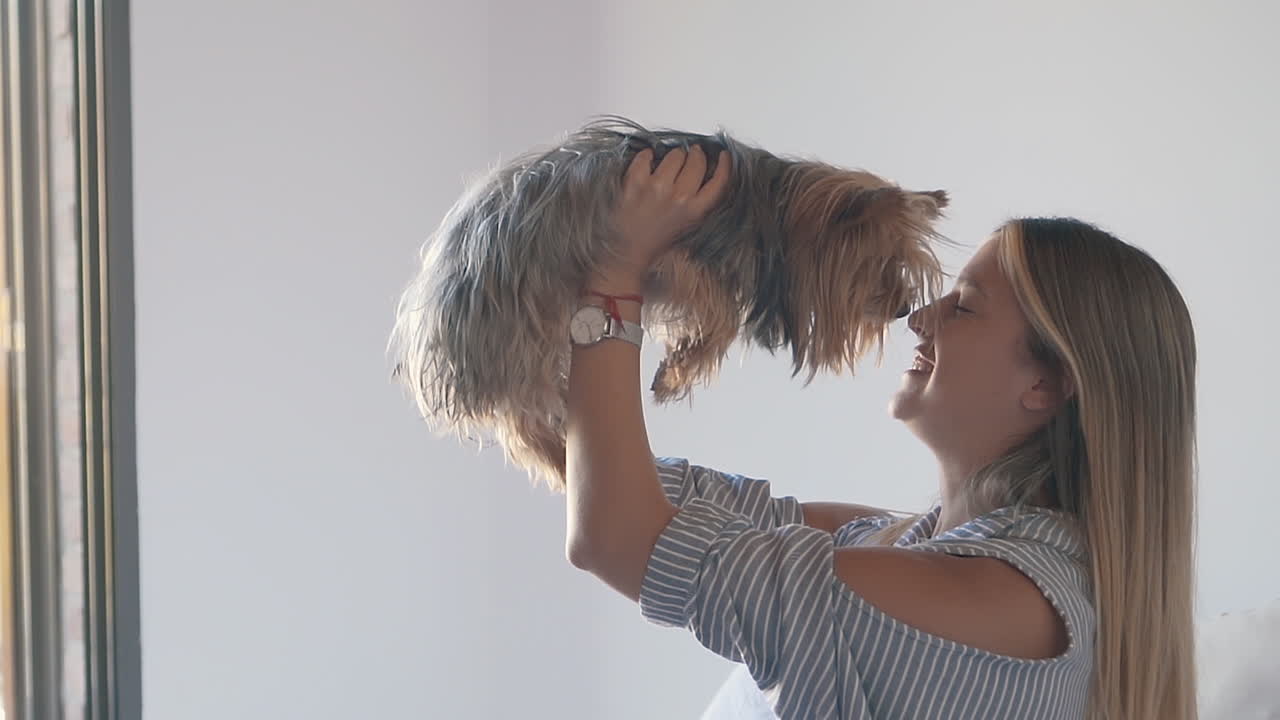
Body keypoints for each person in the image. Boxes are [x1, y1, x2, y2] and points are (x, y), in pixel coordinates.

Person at [563, 145, 1197, 719]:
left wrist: (615, 276)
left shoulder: (998, 603)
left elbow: (616, 537)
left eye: (966, 305)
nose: (920, 317)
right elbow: (616, 484)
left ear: (1048, 386)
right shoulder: (910, 546)